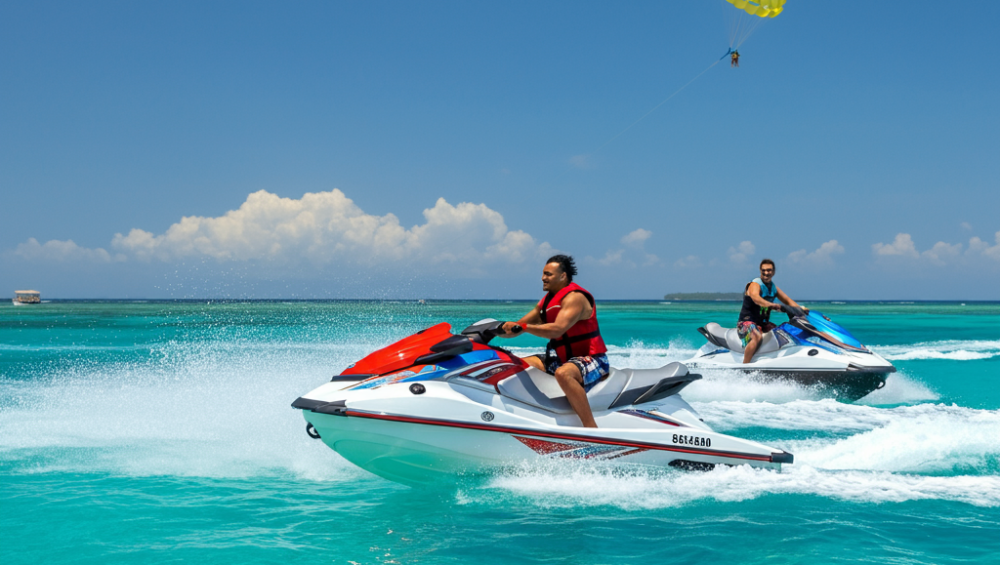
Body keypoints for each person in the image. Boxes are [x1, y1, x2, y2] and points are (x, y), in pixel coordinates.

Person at [498, 255, 608, 428]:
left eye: (548, 274)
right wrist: (493, 333)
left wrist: (524, 327)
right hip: (564, 359)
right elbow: (517, 327)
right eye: (543, 274)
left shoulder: (575, 298)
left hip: (593, 359)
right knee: (514, 364)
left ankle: (591, 429)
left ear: (563, 276)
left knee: (563, 374)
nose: (543, 278)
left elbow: (557, 329)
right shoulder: (546, 302)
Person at [738, 258, 808, 364]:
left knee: (783, 333)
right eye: (764, 270)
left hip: (762, 323)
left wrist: (802, 310)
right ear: (760, 271)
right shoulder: (755, 284)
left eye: (769, 270)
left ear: (774, 272)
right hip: (746, 323)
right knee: (756, 336)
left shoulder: (773, 288)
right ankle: (745, 366)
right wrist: (772, 305)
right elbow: (756, 298)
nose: (766, 273)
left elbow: (788, 300)